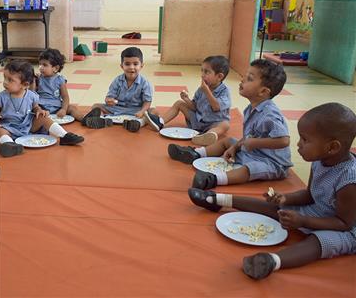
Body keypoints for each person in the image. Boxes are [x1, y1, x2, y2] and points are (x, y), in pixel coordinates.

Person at [188, 103, 356, 280]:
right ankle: (218, 200)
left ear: (332, 147)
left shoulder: (349, 181)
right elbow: (310, 195)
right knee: (277, 209)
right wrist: (285, 198)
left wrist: (304, 220)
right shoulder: (320, 160)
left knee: (319, 243)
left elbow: (343, 223)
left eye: (305, 140)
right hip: (317, 211)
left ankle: (271, 261)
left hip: (343, 229)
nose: (298, 144)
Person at [168, 59, 292, 187]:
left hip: (271, 162)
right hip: (252, 152)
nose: (242, 79)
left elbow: (284, 141)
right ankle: (195, 153)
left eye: (249, 78)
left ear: (263, 92)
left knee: (249, 169)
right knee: (227, 142)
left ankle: (215, 179)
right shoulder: (251, 109)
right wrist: (234, 147)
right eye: (244, 76)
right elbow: (248, 137)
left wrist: (254, 143)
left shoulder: (270, 114)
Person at [0, 60, 84, 157]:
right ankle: (11, 145)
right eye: (5, 78)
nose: (5, 82)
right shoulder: (1, 96)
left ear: (25, 85)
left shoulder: (31, 96)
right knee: (0, 131)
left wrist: (39, 111)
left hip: (28, 125)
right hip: (9, 127)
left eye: (10, 80)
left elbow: (35, 107)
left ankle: (64, 136)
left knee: (44, 117)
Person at [144, 56, 231, 146]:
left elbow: (216, 107)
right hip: (198, 120)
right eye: (202, 70)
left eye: (207, 72)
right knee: (179, 103)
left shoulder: (224, 91)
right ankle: (160, 122)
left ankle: (206, 136)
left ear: (219, 76)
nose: (202, 74)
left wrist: (207, 91)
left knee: (225, 125)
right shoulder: (202, 89)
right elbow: (195, 107)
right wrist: (186, 99)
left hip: (213, 124)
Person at [36, 48, 110, 129]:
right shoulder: (37, 78)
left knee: (72, 108)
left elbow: (65, 97)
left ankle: (85, 119)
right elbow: (31, 95)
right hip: (42, 106)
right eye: (40, 64)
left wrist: (64, 109)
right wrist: (38, 108)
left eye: (44, 65)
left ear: (56, 68)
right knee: (32, 111)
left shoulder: (60, 80)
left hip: (56, 106)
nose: (40, 67)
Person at [90, 47, 153, 132]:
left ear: (141, 66)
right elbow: (109, 98)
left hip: (136, 110)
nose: (131, 67)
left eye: (135, 64)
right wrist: (109, 100)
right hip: (117, 108)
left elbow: (147, 101)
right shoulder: (117, 80)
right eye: (127, 64)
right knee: (96, 106)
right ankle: (103, 121)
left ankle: (139, 123)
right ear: (121, 66)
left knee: (154, 112)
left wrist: (142, 111)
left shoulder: (145, 83)